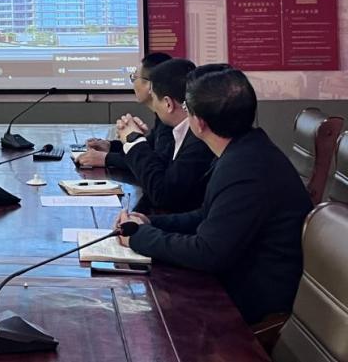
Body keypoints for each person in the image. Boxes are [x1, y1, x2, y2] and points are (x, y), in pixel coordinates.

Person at [117, 65, 313, 325]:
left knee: (137, 313)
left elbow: (207, 252)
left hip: (250, 304)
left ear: (199, 123)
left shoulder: (245, 170)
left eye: (186, 108)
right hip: (235, 280)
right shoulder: (246, 149)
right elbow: (209, 216)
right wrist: (150, 223)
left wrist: (140, 237)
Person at [114, 58, 214, 213]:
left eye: (154, 97)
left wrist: (135, 141)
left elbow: (162, 194)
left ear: (168, 103)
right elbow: (159, 166)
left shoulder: (198, 139)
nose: (154, 105)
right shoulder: (179, 130)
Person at [79, 52, 172, 168]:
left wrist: (105, 159)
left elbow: (153, 164)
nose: (133, 84)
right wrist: (110, 146)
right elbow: (148, 148)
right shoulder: (161, 117)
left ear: (150, 86)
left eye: (134, 78)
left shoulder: (170, 122)